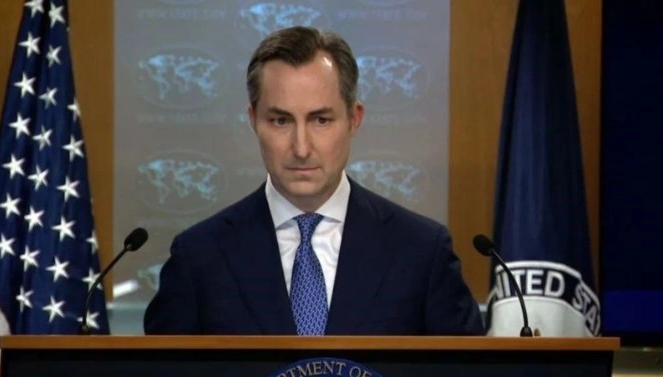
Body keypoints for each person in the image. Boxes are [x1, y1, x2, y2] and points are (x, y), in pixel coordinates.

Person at [144, 26, 483, 335]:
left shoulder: (421, 252)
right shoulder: (199, 257)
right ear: (253, 120)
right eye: (280, 121)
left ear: (354, 119)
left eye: (321, 120)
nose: (301, 148)